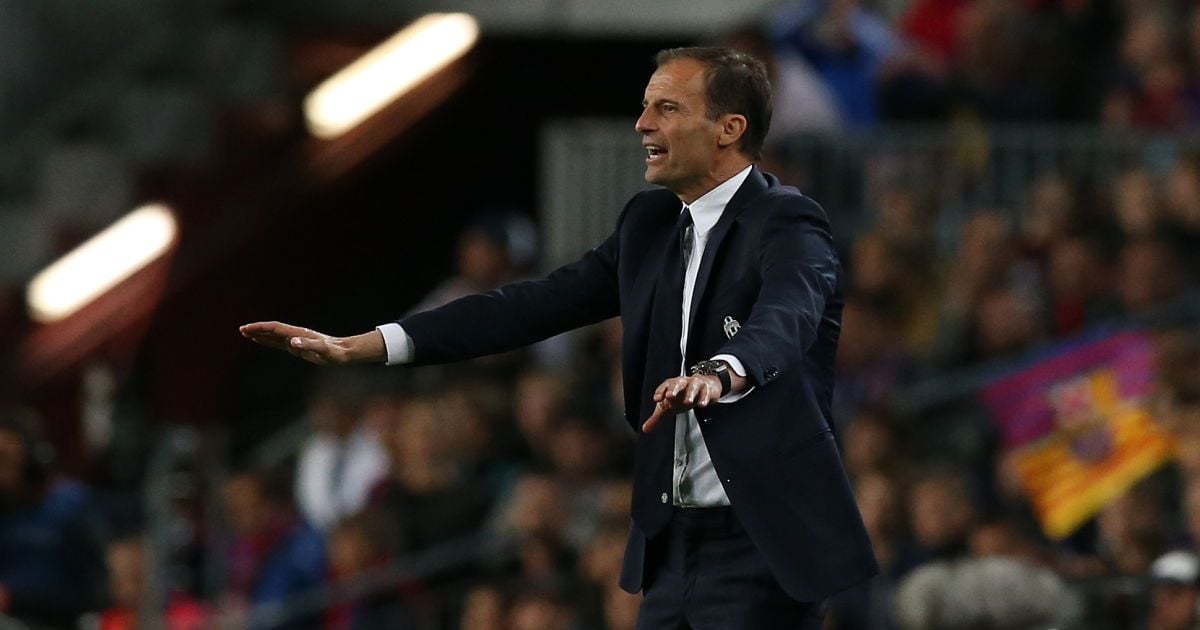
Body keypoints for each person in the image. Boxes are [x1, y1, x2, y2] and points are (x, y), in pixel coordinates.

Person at [242, 46, 877, 628]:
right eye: (645, 106)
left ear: (729, 128)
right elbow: (532, 306)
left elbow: (787, 316)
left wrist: (722, 371)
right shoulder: (648, 225)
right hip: (670, 548)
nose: (642, 124)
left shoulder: (788, 221)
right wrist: (372, 344)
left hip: (762, 542)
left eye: (667, 108)